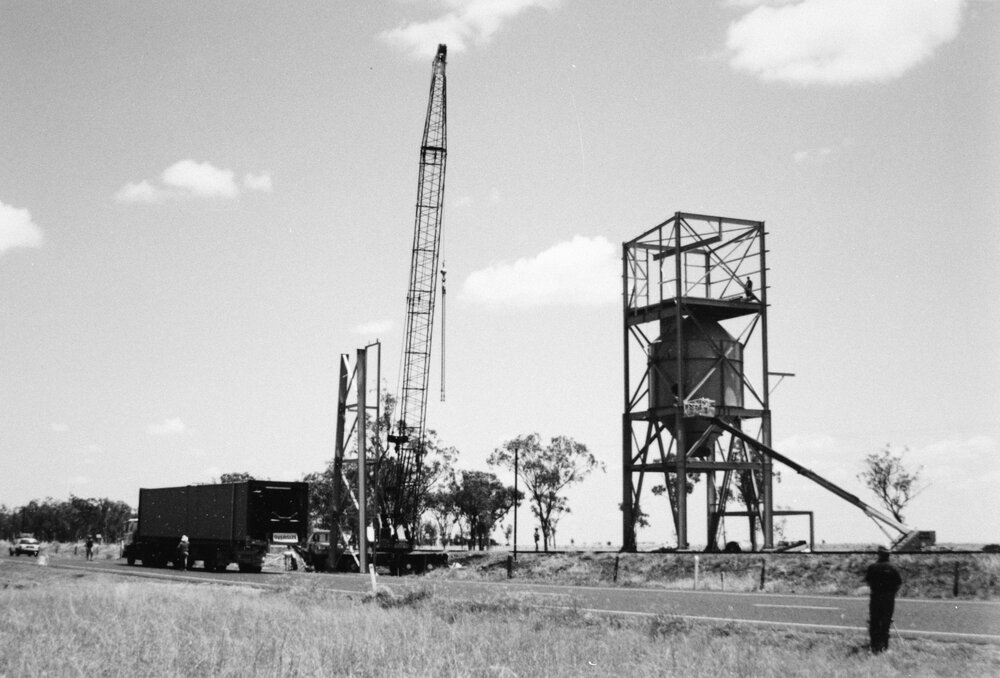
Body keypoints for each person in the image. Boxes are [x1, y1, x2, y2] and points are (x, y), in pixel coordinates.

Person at [864, 547, 902, 653]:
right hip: (888, 597)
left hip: (875, 596)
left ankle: (874, 645)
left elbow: (868, 581)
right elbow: (898, 583)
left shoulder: (873, 567)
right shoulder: (893, 567)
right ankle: (884, 646)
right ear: (888, 555)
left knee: (875, 621)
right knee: (885, 622)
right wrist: (892, 593)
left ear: (879, 554)